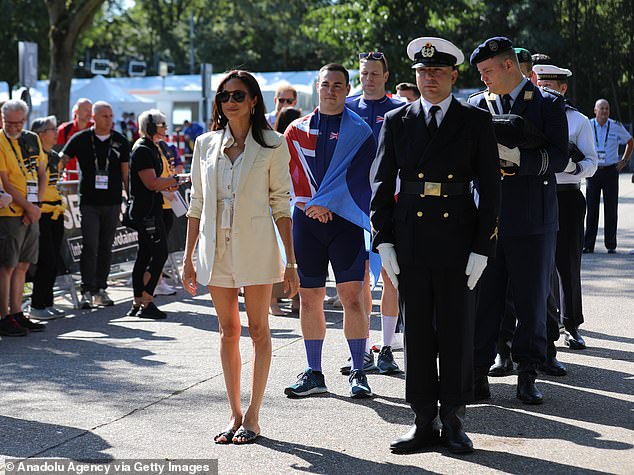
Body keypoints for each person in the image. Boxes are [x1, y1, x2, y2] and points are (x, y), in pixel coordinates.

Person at [372, 37, 499, 454]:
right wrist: (384, 239)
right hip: (410, 240)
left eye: (437, 72)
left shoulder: (475, 121)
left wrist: (483, 246)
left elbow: (491, 189)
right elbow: (380, 183)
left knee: (457, 331)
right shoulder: (397, 120)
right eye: (423, 73)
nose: (429, 79)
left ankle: (455, 418)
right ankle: (423, 419)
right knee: (419, 334)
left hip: (459, 238)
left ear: (453, 76)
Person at [181, 70, 299, 445]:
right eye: (223, 96)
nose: (229, 102)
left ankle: (254, 415)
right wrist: (187, 258)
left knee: (259, 329)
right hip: (215, 250)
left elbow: (282, 204)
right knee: (227, 329)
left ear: (253, 101)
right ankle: (233, 413)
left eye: (237, 95)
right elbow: (196, 204)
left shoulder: (274, 145)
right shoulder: (205, 144)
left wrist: (291, 263)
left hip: (258, 247)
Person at [468, 37, 568, 404]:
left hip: (532, 217)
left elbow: (559, 158)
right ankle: (478, 373)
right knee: (484, 301)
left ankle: (528, 372)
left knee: (531, 301)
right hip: (488, 219)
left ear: (509, 66)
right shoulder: (477, 106)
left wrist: (518, 160)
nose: (483, 80)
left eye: (487, 71)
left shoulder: (546, 104)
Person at [283, 63, 377, 399]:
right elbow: (290, 175)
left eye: (338, 85)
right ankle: (314, 372)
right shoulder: (296, 129)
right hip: (307, 221)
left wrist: (329, 203)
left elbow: (361, 179)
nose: (332, 90)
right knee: (309, 300)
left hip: (346, 221)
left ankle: (358, 371)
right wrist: (312, 203)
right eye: (326, 84)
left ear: (348, 88)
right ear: (317, 87)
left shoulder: (360, 131)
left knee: (352, 299)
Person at [345, 51, 405, 376]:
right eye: (363, 73)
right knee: (358, 282)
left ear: (386, 76)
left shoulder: (399, 110)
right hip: (352, 207)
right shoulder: (348, 107)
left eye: (374, 74)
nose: (368, 79)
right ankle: (361, 348)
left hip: (389, 205)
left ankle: (386, 349)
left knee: (390, 278)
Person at [533, 64, 598, 358]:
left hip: (568, 196)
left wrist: (573, 166)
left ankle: (571, 325)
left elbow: (593, 162)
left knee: (568, 265)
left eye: (550, 84)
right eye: (540, 82)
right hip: (536, 195)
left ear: (563, 88)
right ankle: (541, 328)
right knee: (536, 266)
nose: (545, 88)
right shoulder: (531, 115)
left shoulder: (579, 120)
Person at [61, 101, 130, 309]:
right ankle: (86, 290)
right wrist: (51, 180)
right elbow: (61, 160)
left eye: (111, 116)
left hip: (113, 202)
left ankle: (101, 288)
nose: (109, 120)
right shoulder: (81, 138)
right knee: (90, 245)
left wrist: (130, 195)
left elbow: (126, 172)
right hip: (89, 201)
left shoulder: (120, 140)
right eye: (104, 116)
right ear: (94, 117)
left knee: (106, 246)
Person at [127, 110, 182, 319]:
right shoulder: (143, 149)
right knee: (159, 254)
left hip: (151, 208)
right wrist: (177, 179)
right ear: (150, 127)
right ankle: (146, 299)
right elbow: (152, 183)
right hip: (146, 211)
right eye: (162, 125)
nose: (165, 128)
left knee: (145, 255)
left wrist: (169, 182)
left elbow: (157, 181)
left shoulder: (152, 147)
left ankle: (138, 301)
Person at [0, 100, 48, 336]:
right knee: (7, 265)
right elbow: (6, 181)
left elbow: (42, 173)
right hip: (10, 212)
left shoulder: (32, 138)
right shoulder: (0, 140)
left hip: (32, 209)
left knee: (23, 264)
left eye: (19, 122)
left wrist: (36, 205)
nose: (14, 127)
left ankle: (18, 312)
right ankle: (4, 315)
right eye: (9, 122)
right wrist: (29, 207)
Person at [29, 116, 68, 320]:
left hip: (56, 212)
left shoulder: (54, 156)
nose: (56, 133)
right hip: (40, 213)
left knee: (54, 261)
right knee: (46, 259)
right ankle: (36, 304)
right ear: (40, 134)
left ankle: (47, 302)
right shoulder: (33, 156)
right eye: (52, 129)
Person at [583, 99, 633, 254]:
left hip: (611, 171)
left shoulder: (615, 125)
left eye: (607, 109)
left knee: (611, 208)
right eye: (601, 109)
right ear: (595, 110)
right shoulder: (588, 125)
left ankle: (611, 244)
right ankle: (588, 244)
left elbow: (630, 142)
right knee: (592, 208)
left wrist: (624, 161)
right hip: (594, 171)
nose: (604, 111)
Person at [270, 107, 302, 316]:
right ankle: (280, 301)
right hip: (282, 202)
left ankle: (287, 300)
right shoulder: (275, 143)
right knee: (282, 253)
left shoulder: (296, 141)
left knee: (287, 253)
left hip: (291, 201)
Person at [56, 98, 93, 180]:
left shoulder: (96, 129)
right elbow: (55, 152)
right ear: (76, 111)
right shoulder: (65, 129)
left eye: (91, 110)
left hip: (91, 179)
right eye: (86, 110)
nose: (90, 113)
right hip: (69, 179)